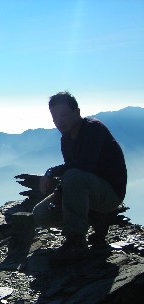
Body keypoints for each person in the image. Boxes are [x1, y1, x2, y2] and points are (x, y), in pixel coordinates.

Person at [33, 91, 127, 262]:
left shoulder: (93, 128)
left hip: (110, 194)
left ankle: (76, 241)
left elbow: (85, 166)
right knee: (40, 214)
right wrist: (60, 192)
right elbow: (73, 170)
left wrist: (51, 172)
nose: (59, 121)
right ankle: (95, 218)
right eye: (54, 117)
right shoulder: (66, 139)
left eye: (64, 115)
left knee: (73, 176)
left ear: (77, 112)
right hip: (87, 190)